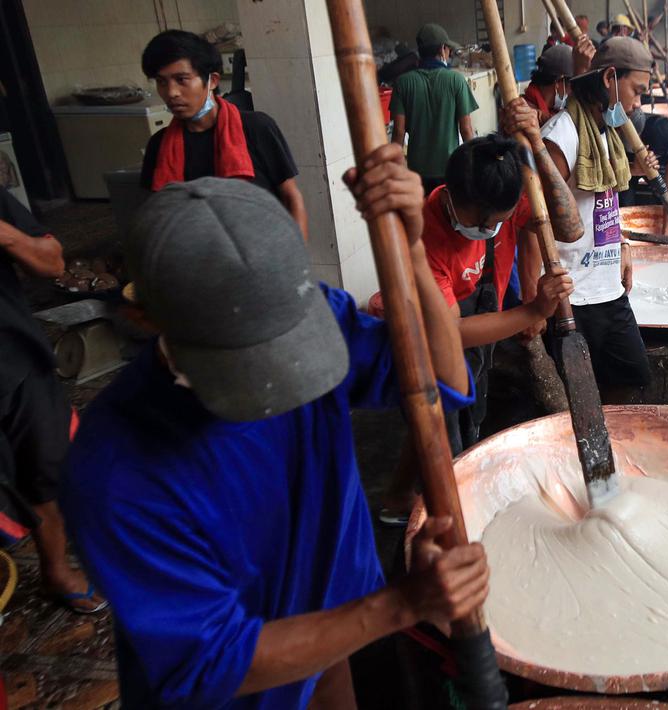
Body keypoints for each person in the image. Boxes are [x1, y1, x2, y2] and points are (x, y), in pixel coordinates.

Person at [60, 147, 489, 708]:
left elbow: (441, 377)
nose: (278, 387)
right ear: (143, 319)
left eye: (289, 351)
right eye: (245, 367)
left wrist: (411, 246)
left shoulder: (321, 315)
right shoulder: (116, 472)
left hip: (339, 625)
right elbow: (214, 663)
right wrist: (404, 605)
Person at [422, 128, 576, 453]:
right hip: (434, 347)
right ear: (450, 196)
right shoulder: (425, 236)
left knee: (474, 416)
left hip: (481, 335)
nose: (486, 230)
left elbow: (570, 228)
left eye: (497, 223)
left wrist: (538, 146)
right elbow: (453, 331)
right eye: (481, 224)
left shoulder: (505, 199)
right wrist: (533, 310)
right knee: (442, 437)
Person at [0, 189, 107, 614]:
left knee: (48, 465)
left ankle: (56, 569)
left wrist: (5, 236)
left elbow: (53, 262)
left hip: (16, 359)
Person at [541, 37, 655, 392]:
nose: (637, 103)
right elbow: (534, 221)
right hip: (572, 296)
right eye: (636, 91)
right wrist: (541, 296)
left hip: (608, 289)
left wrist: (621, 243)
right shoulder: (561, 135)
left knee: (633, 379)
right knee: (575, 396)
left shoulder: (605, 131)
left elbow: (604, 203)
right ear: (609, 78)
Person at [139, 30, 308, 240]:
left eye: (181, 79)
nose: (171, 92)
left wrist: (296, 260)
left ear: (212, 81)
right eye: (162, 82)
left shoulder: (256, 128)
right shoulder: (160, 146)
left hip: (263, 256)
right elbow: (156, 217)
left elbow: (291, 197)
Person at [391, 23, 478, 193]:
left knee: (423, 215)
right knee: (446, 215)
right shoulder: (456, 80)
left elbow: (399, 133)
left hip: (417, 172)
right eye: (448, 50)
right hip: (449, 169)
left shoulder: (402, 83)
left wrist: (394, 168)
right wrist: (476, 164)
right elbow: (466, 130)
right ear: (442, 49)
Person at [619, 107, 668, 206]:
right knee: (624, 201)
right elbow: (609, 173)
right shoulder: (628, 135)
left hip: (655, 169)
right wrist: (634, 170)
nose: (650, 157)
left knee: (662, 195)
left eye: (656, 155)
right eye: (647, 151)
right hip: (627, 168)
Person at [523, 45, 575, 125]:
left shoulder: (549, 111)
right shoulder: (528, 115)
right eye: (572, 86)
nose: (572, 92)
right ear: (557, 82)